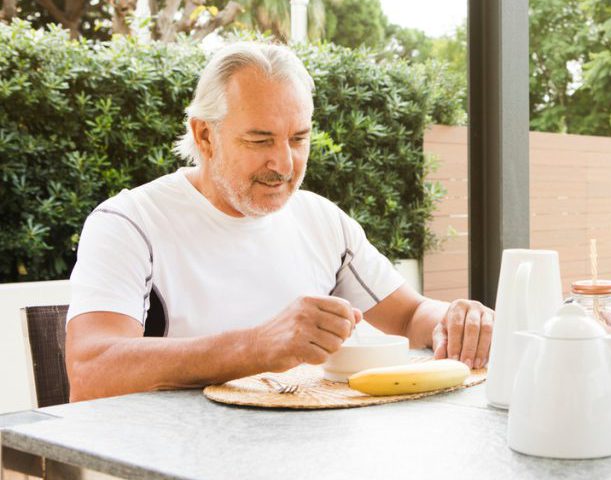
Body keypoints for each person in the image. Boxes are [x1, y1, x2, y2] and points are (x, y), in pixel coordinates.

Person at [66, 42, 494, 401]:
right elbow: (90, 371)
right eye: (260, 140)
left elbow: (410, 316)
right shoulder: (129, 223)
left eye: (298, 139)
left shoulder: (321, 220)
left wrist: (457, 320)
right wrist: (256, 346)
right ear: (204, 136)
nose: (284, 164)